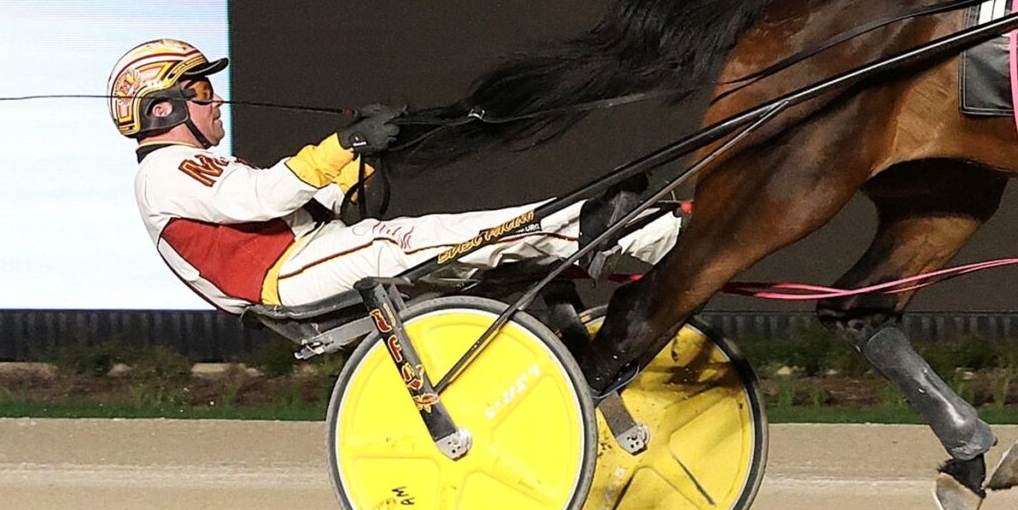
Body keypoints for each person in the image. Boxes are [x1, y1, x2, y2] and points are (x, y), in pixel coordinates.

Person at [108, 38, 678, 311]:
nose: (216, 102)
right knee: (423, 239)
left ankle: (613, 233)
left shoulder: (193, 169)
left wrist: (361, 161)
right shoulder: (163, 173)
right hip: (287, 277)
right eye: (202, 91)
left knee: (453, 241)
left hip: (307, 255)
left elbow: (290, 207)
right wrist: (343, 143)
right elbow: (261, 197)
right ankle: (628, 233)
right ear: (164, 109)